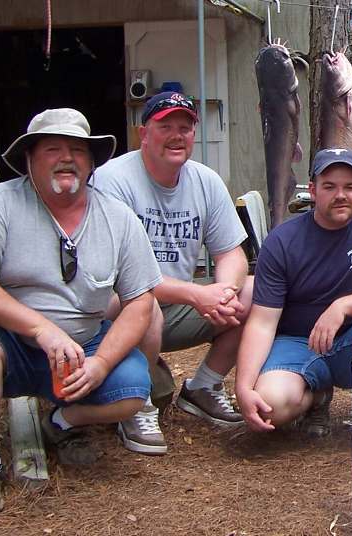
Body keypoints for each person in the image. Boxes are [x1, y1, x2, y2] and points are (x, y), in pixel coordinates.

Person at [0, 108, 162, 515]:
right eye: (52, 149)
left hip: (82, 347)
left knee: (133, 389)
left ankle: (62, 422)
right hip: (7, 344)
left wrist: (101, 363)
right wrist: (41, 329)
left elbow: (140, 301)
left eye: (77, 150)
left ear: (92, 161)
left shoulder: (118, 218)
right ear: (29, 159)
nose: (66, 158)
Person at [93, 92, 252, 455]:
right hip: (118, 311)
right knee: (142, 302)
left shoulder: (205, 181)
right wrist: (198, 294)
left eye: (186, 126)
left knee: (256, 292)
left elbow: (232, 253)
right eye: (165, 126)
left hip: (177, 309)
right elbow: (122, 276)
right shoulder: (112, 180)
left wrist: (224, 292)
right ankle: (138, 404)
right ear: (143, 133)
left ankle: (203, 387)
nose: (177, 135)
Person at [234, 148, 352, 438]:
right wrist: (243, 387)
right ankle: (315, 398)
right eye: (329, 186)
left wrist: (343, 306)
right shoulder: (282, 240)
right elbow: (262, 322)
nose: (340, 195)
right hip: (297, 343)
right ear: (312, 190)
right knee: (271, 406)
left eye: (349, 187)